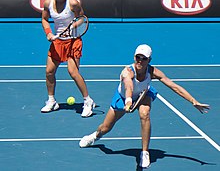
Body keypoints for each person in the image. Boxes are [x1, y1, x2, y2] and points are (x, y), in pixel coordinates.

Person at [79, 44, 210, 168]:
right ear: (134, 57)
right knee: (105, 127)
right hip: (123, 98)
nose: (140, 61)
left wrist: (193, 101)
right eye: (138, 57)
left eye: (144, 58)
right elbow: (128, 86)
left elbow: (173, 86)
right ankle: (95, 136)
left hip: (143, 95)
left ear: (149, 60)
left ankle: (145, 152)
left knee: (144, 113)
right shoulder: (127, 71)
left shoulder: (153, 72)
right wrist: (129, 102)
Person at [41, 0, 95, 117]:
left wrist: (73, 26)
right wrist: (48, 33)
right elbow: (44, 19)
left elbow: (82, 18)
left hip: (73, 41)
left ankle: (88, 101)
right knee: (49, 72)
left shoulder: (73, 3)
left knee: (73, 72)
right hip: (58, 42)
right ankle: (51, 101)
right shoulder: (48, 3)